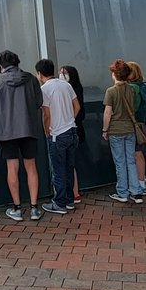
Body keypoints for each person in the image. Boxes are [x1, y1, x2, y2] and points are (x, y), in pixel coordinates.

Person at [0, 50, 45, 221]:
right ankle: (34, 208)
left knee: (12, 168)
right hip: (29, 129)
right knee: (31, 167)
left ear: (0, 66)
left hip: (7, 132)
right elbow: (39, 102)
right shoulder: (32, 79)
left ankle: (17, 209)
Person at [36, 59, 80, 214]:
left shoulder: (44, 89)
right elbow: (77, 106)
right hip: (72, 131)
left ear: (39, 74)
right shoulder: (66, 85)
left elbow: (46, 114)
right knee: (69, 167)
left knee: (58, 170)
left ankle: (59, 203)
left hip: (57, 134)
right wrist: (70, 119)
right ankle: (69, 200)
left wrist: (47, 131)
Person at [102, 59, 142, 203]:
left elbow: (108, 113)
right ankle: (136, 192)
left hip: (116, 130)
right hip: (130, 129)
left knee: (120, 162)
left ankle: (122, 192)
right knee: (130, 161)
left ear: (114, 74)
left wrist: (105, 130)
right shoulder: (132, 89)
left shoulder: (111, 91)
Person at [126, 61, 146, 196]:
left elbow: (132, 107)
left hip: (136, 124)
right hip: (144, 124)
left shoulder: (132, 88)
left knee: (136, 154)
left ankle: (141, 183)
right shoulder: (142, 86)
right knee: (139, 153)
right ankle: (143, 180)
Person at [61, 65, 87, 204]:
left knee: (68, 163)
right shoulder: (76, 88)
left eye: (64, 73)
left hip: (70, 129)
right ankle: (74, 192)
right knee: (71, 162)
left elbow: (78, 110)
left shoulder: (71, 90)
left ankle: (72, 193)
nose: (61, 75)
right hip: (76, 129)